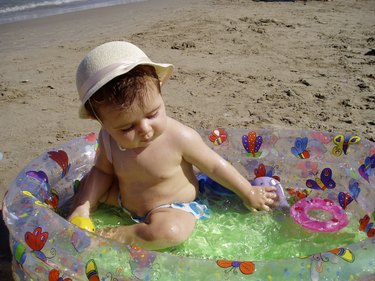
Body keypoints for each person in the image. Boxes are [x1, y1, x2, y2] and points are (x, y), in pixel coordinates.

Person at [69, 41, 277, 250]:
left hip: (172, 207)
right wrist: (83, 206)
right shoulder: (107, 138)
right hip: (125, 200)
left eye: (152, 114)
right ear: (100, 121)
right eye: (126, 128)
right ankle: (81, 212)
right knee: (86, 185)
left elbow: (214, 166)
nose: (145, 129)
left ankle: (110, 236)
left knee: (169, 233)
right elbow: (102, 172)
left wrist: (248, 192)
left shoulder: (179, 137)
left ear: (160, 93)